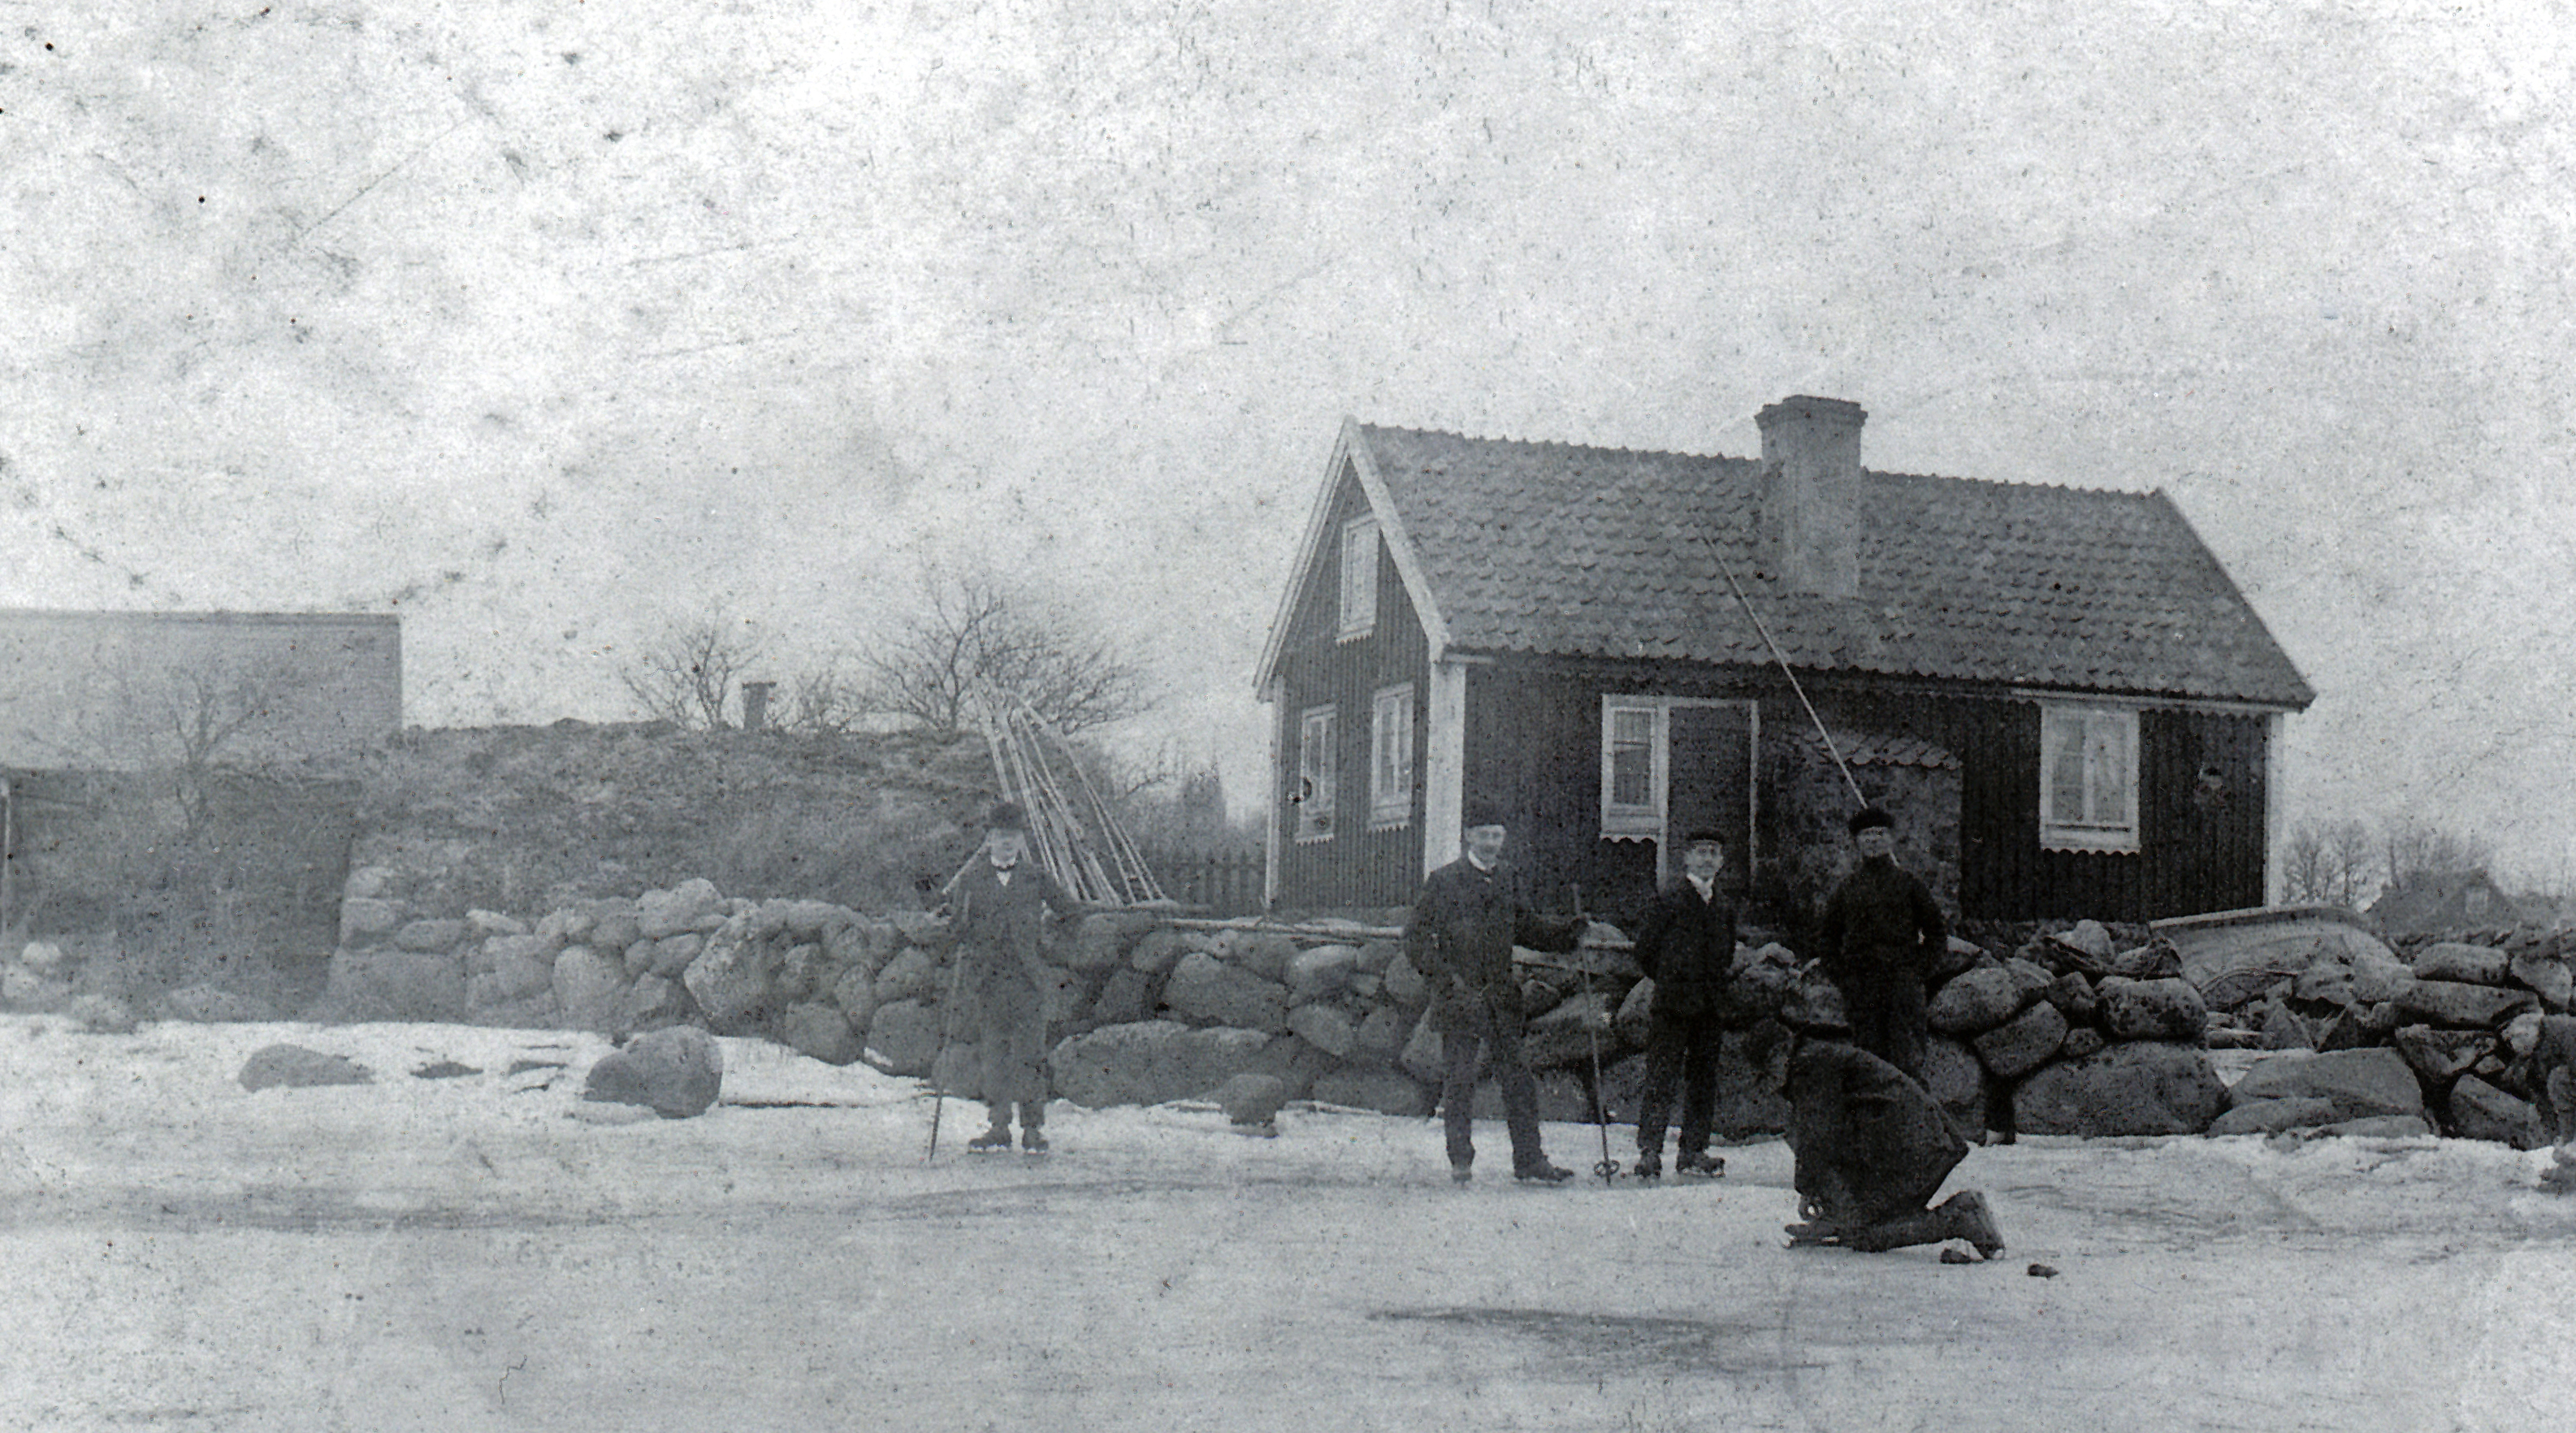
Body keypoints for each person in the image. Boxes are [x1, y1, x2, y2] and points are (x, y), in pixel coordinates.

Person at [1406, 799, 1588, 1184]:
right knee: (1459, 1080)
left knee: (1518, 1080)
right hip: (1460, 998)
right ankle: (1461, 1160)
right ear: (1468, 836)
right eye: (1483, 834)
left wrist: (1566, 934)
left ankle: (1530, 1160)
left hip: (1502, 998)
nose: (1491, 842)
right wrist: (1446, 982)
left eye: (1497, 835)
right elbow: (1417, 939)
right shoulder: (1443, 881)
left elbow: (1525, 926)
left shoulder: (1508, 877)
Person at [1781, 1035, 2006, 1258]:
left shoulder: (1810, 1066)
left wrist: (1809, 1188)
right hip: (1920, 1143)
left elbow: (1819, 1136)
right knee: (1867, 1219)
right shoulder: (1818, 1056)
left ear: (1777, 1056)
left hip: (1912, 1150)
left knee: (1866, 1235)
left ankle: (1957, 1217)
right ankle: (1840, 1217)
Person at [948, 802, 1081, 1154]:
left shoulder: (1036, 877)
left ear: (1022, 841)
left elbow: (1070, 913)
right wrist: (964, 938)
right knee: (994, 1055)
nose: (1006, 843)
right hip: (989, 981)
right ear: (988, 840)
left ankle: (1033, 1128)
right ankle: (998, 1126)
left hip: (1028, 983)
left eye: (1013, 837)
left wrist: (1047, 948)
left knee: (1030, 1055)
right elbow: (956, 926)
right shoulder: (972, 880)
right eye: (999, 836)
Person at [1627, 829, 1739, 1179]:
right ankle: (1650, 1150)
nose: (1707, 859)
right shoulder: (1670, 898)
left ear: (1721, 862)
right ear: (1687, 859)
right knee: (1662, 1076)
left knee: (1703, 1080)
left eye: (1713, 853)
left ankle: (1693, 1150)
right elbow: (1646, 950)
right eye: (1700, 853)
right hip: (1674, 1005)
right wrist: (1673, 980)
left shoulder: (1723, 904)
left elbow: (1727, 953)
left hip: (1709, 1006)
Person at [1813, 807, 1946, 1082]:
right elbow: (1827, 939)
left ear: (1891, 839)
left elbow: (1936, 934)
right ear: (1857, 842)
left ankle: (1909, 1123)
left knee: (1906, 1062)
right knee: (1866, 1064)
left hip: (1902, 987)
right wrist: (1843, 977)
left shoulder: (1909, 884)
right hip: (1861, 989)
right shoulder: (1847, 889)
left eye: (1879, 833)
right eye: (1866, 835)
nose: (1873, 840)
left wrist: (1917, 972)